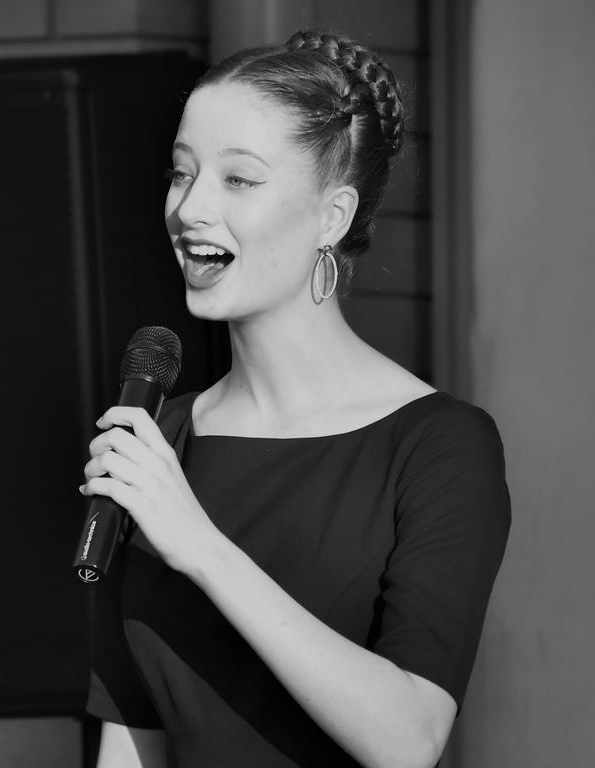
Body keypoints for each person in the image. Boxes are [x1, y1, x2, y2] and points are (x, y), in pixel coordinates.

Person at [79, 30, 511, 768]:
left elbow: (408, 740)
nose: (188, 209)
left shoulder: (439, 445)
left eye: (238, 180)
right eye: (180, 174)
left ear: (332, 216)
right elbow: (130, 737)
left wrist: (203, 548)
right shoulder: (162, 442)